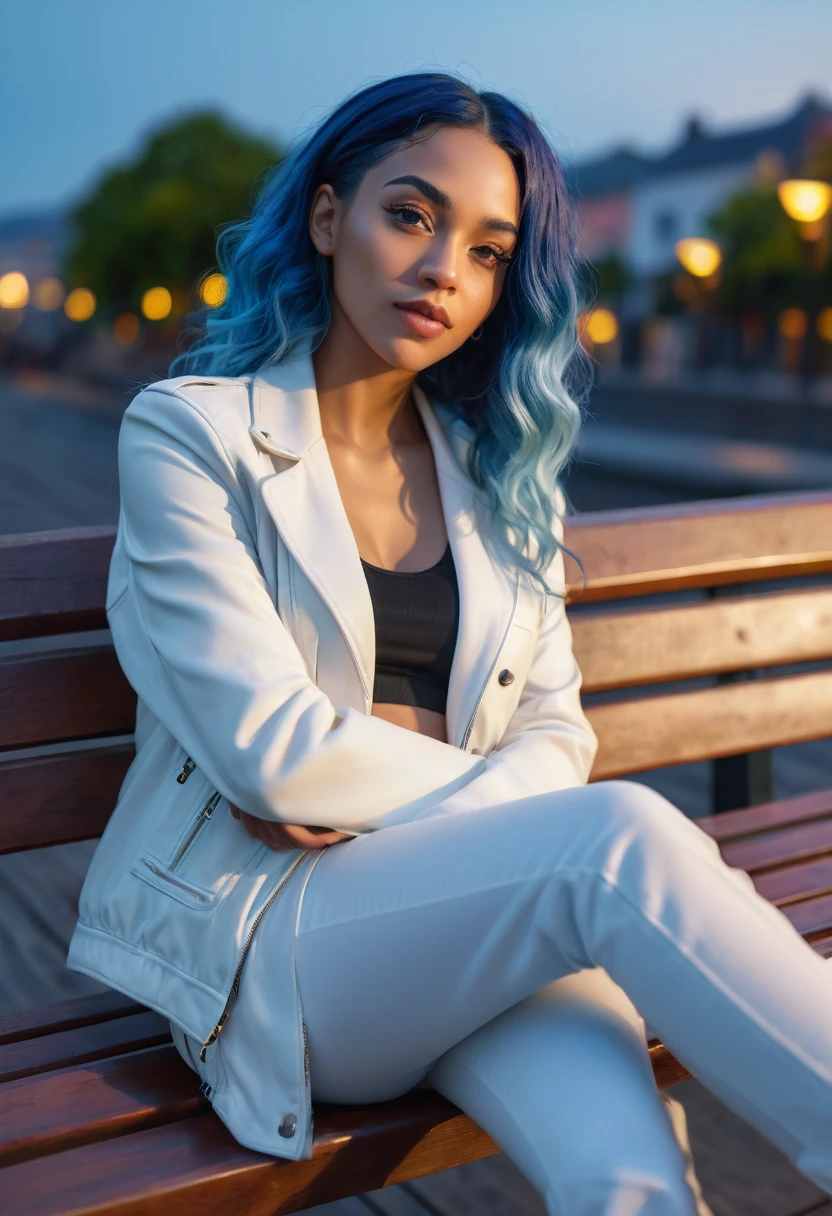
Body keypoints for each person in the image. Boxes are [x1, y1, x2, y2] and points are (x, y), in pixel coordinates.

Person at [67, 73, 832, 1216]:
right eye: (411, 215)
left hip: (474, 911)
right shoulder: (192, 438)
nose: (443, 271)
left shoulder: (496, 473)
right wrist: (520, 820)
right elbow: (273, 750)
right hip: (278, 933)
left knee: (628, 1181)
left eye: (486, 250)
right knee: (612, 837)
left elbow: (556, 727)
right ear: (328, 218)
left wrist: (466, 814)